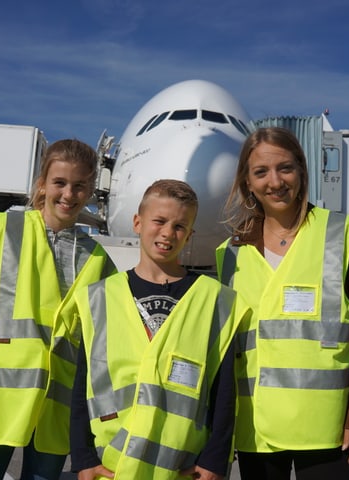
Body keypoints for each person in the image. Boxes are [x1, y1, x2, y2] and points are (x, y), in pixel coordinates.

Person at [216, 127, 349, 480]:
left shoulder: (342, 233)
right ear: (247, 182)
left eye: (285, 168)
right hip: (255, 430)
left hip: (327, 429)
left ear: (302, 172)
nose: (275, 182)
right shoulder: (229, 254)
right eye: (261, 172)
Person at [0, 139, 116, 480]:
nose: (69, 194)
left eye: (79, 185)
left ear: (91, 191)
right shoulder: (4, 232)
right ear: (42, 184)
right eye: (60, 183)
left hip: (56, 412)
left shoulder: (98, 261)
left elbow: (104, 350)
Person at [70, 179, 251, 480]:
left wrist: (215, 460)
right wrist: (83, 457)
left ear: (189, 235)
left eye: (180, 226)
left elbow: (223, 391)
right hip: (111, 464)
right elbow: (82, 385)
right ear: (138, 222)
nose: (168, 233)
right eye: (159, 221)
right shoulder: (100, 297)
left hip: (181, 466)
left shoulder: (214, 299)